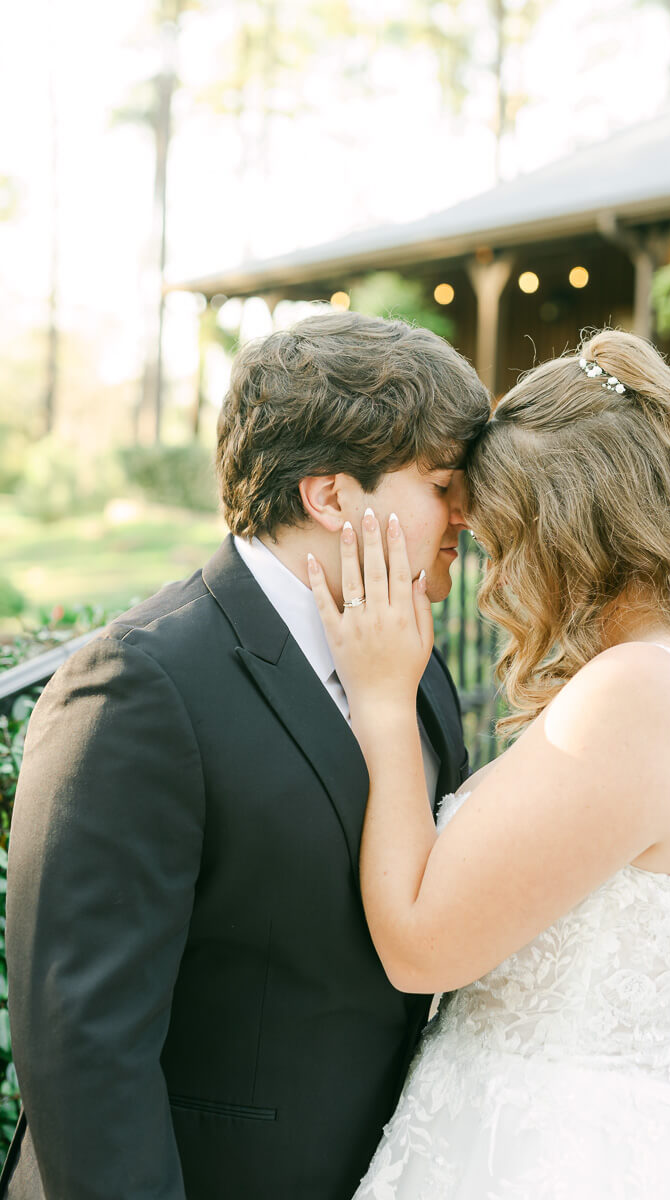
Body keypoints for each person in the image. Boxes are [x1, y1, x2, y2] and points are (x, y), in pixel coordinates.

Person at [0, 312, 491, 1200]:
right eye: (444, 484)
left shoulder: (416, 668)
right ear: (332, 497)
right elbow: (85, 1050)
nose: (467, 515)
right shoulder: (136, 687)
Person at [308, 329, 670, 1199]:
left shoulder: (638, 692)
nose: (492, 581)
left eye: (502, 546)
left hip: (551, 1158)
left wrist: (383, 704)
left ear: (567, 537)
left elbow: (422, 950)